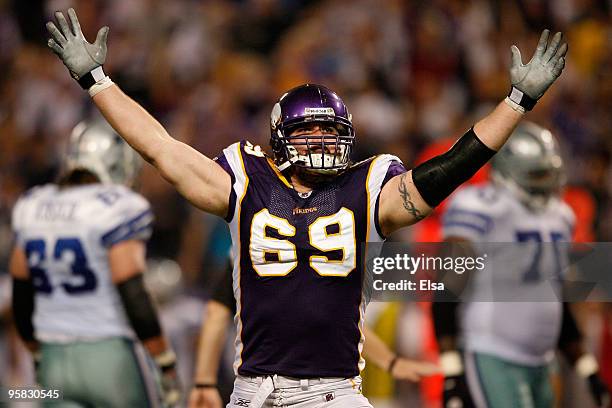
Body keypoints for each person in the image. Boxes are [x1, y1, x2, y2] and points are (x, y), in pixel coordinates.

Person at [45, 8, 567, 407]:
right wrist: (98, 83)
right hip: (258, 391)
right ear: (279, 137)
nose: (319, 139)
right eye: (307, 130)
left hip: (337, 392)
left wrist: (515, 104)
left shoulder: (369, 184)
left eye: (328, 130)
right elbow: (160, 147)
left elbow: (445, 171)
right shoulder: (245, 178)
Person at [433, 122, 611, 408]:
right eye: (537, 174)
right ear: (509, 170)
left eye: (548, 174)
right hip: (492, 353)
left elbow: (555, 296)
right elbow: (447, 291)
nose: (546, 183)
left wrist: (587, 368)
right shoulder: (479, 207)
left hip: (543, 362)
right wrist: (452, 370)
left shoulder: (560, 215)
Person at [10, 120, 181, 407]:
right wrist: (164, 359)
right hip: (109, 355)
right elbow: (131, 288)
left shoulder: (34, 204)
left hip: (54, 356)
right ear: (118, 163)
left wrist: (37, 353)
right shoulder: (117, 206)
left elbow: (21, 294)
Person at [187, 265, 440, 408]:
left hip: (259, 387)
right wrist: (390, 361)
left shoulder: (250, 231)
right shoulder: (328, 230)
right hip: (321, 390)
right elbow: (335, 320)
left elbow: (216, 313)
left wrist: (204, 381)